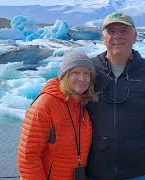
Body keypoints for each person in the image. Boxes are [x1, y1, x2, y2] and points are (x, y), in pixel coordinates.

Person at [87, 12, 145, 180]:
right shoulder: (89, 70)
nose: (117, 36)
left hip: (138, 172)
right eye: (111, 31)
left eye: (124, 30)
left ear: (135, 36)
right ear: (103, 36)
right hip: (94, 172)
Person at [17, 50, 98, 179]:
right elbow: (28, 156)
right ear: (64, 75)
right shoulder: (45, 105)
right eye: (75, 72)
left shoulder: (82, 104)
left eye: (86, 73)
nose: (82, 79)